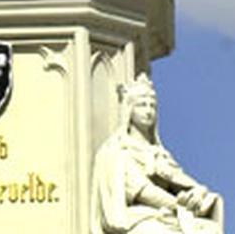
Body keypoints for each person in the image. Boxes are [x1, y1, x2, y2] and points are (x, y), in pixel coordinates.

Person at [91, 74, 223, 234]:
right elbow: (143, 191)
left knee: (210, 229)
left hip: (168, 215)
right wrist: (178, 206)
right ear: (129, 109)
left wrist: (198, 192)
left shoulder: (159, 152)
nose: (148, 111)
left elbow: (182, 181)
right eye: (142, 105)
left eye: (152, 106)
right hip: (139, 219)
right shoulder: (119, 150)